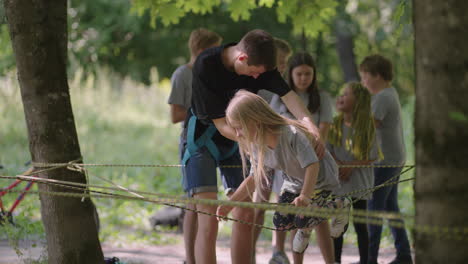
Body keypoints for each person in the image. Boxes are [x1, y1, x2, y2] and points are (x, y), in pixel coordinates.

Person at [185, 29, 324, 264]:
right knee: (208, 216)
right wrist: (257, 144)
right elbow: (221, 125)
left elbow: (289, 97)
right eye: (254, 72)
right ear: (242, 58)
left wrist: (311, 127)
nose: (258, 78)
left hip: (247, 138)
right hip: (207, 137)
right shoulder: (206, 65)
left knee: (245, 212)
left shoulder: (262, 66)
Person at [217, 90, 340, 264]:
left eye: (239, 127)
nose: (237, 134)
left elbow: (313, 165)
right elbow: (254, 179)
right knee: (281, 221)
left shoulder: (291, 134)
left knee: (303, 218)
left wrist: (305, 195)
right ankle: (304, 233)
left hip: (321, 180)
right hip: (295, 183)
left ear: (255, 120)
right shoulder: (257, 144)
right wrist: (230, 204)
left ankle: (336, 207)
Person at [269, 52, 338, 263]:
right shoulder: (279, 97)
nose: (303, 78)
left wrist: (318, 146)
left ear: (314, 75)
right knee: (293, 214)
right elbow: (272, 125)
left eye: (308, 74)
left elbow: (323, 129)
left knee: (320, 218)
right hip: (288, 166)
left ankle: (330, 260)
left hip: (314, 160)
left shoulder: (322, 97)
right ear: (291, 74)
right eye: (299, 74)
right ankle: (289, 257)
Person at [167, 28, 222, 264]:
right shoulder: (183, 74)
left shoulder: (212, 73)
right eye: (213, 50)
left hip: (215, 141)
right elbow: (175, 114)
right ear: (201, 50)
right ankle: (190, 258)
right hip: (192, 141)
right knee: (192, 204)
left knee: (205, 204)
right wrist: (199, 107)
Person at [359, 55, 412, 264]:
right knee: (390, 207)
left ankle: (369, 257)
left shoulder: (382, 97)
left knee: (374, 208)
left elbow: (369, 125)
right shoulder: (390, 93)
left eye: (365, 78)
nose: (363, 82)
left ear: (378, 76)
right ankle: (404, 254)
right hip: (394, 158)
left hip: (384, 161)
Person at [327, 82, 381, 264]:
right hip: (338, 183)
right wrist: (339, 165)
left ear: (358, 101)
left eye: (346, 94)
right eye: (340, 94)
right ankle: (335, 260)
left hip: (360, 182)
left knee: (360, 224)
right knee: (338, 225)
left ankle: (366, 260)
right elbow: (328, 150)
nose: (341, 97)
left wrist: (350, 166)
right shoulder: (334, 124)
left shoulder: (367, 126)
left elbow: (372, 155)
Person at [251, 37, 293, 264]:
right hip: (262, 151)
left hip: (283, 151)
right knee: (260, 201)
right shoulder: (259, 85)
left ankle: (279, 251)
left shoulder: (284, 87)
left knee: (282, 201)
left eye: (286, 62)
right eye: (281, 61)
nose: (284, 66)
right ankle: (250, 247)